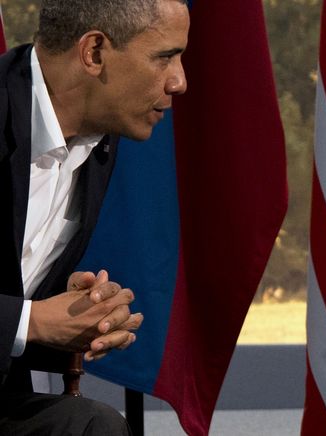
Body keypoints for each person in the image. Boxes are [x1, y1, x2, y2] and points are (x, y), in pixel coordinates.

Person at [0, 0, 188, 434]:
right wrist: (34, 320)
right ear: (94, 52)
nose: (179, 81)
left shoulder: (99, 141)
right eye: (164, 57)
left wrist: (79, 316)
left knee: (92, 426)